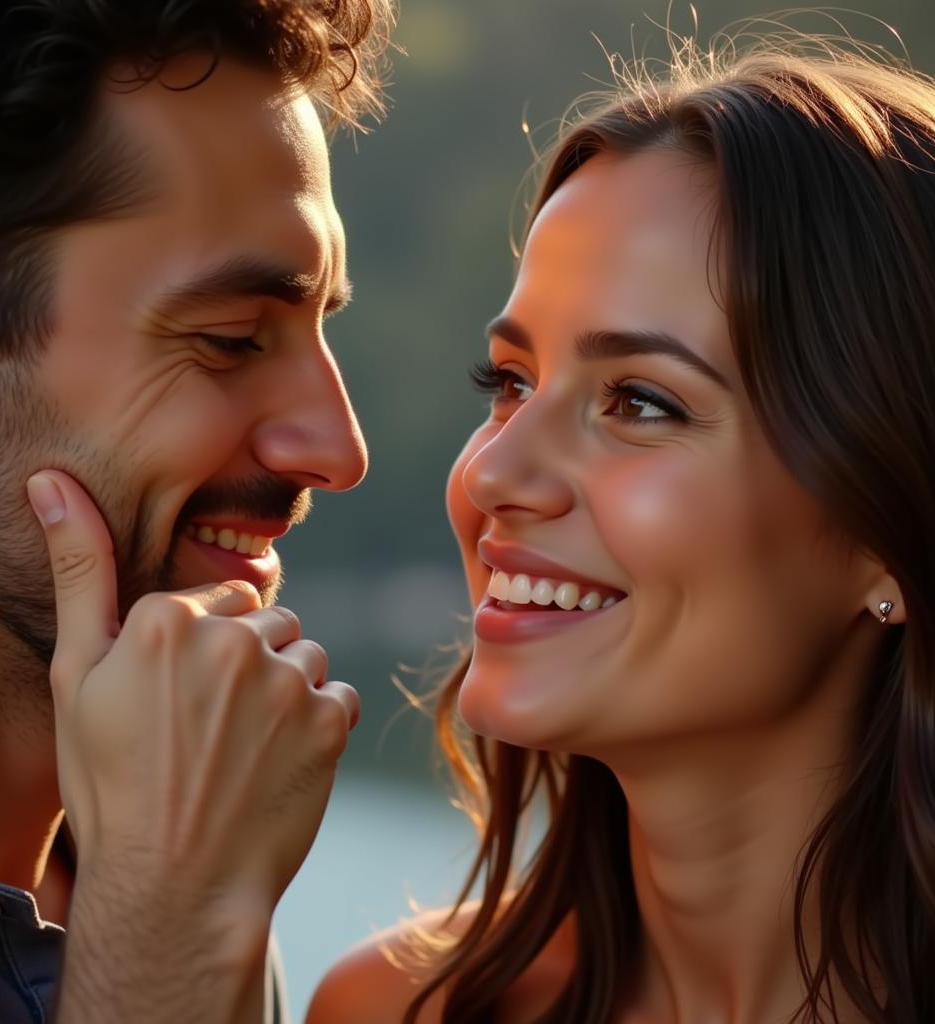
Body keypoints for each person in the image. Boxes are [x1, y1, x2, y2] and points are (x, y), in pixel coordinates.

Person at [308, 31, 935, 1024]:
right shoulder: (398, 1009)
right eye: (510, 383)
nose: (494, 472)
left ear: (884, 529)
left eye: (639, 401)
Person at [0, 2, 393, 1021]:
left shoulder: (171, 839)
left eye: (320, 326)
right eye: (227, 339)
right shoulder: (167, 888)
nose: (337, 449)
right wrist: (162, 938)